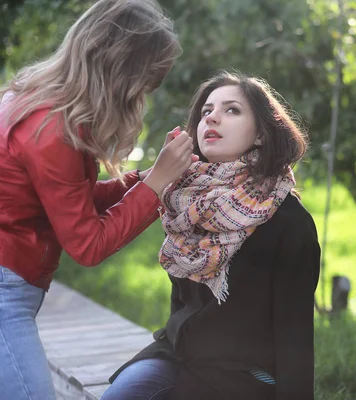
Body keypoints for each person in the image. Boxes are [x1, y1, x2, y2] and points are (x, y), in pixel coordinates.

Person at [0, 1, 196, 399]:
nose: (142, 97)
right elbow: (87, 245)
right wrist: (155, 186)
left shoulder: (42, 103)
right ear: (120, 72)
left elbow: (69, 200)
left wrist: (142, 181)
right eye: (144, 84)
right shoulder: (51, 131)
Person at [102, 71, 321, 400]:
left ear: (261, 133)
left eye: (231, 110)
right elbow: (182, 305)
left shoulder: (288, 222)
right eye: (206, 112)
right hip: (177, 358)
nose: (213, 118)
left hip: (241, 377)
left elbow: (296, 335)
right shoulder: (187, 202)